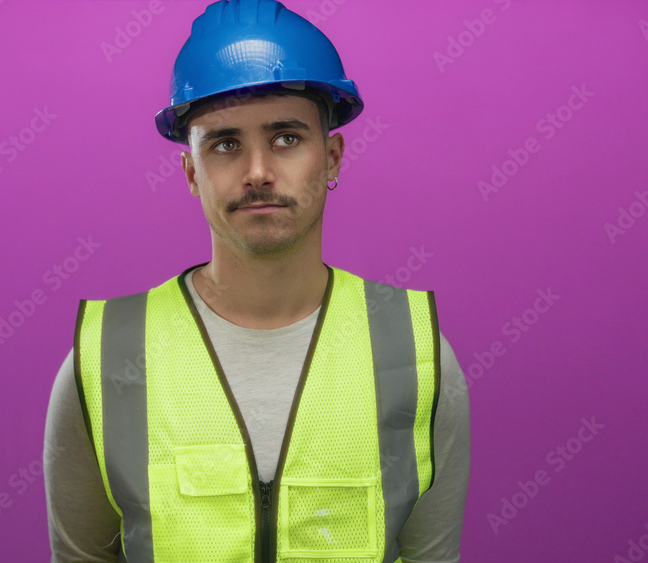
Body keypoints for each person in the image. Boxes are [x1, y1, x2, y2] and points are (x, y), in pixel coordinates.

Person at [43, 0, 470, 561]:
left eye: (287, 137)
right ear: (192, 172)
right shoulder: (103, 360)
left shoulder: (416, 355)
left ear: (333, 156)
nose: (258, 172)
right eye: (224, 144)